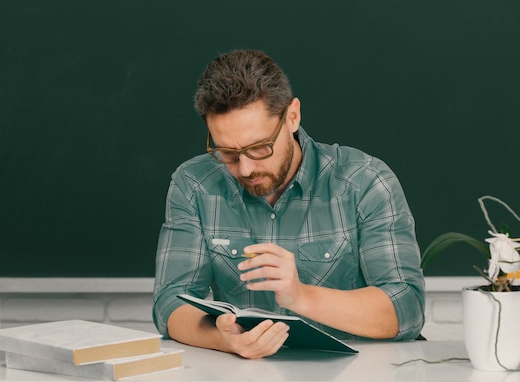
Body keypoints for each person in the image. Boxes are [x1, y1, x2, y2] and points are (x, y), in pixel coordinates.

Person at [152, 49, 425, 359]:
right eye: (227, 153)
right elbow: (171, 303)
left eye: (259, 148)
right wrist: (225, 339)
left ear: (292, 117)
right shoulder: (194, 184)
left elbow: (407, 309)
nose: (244, 169)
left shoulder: (365, 181)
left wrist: (300, 296)